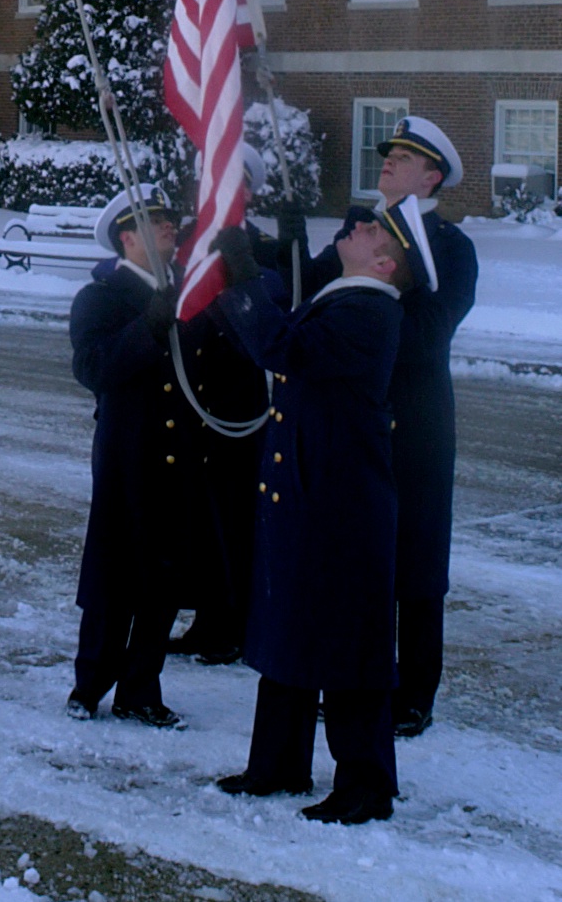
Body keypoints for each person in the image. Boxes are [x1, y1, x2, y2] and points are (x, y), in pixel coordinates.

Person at [210, 213, 412, 825]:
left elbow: (287, 348)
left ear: (385, 264)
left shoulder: (371, 311)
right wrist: (257, 260)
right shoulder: (344, 297)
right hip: (311, 492)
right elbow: (287, 309)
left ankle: (366, 784)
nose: (356, 225)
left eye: (372, 231)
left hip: (341, 505)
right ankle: (277, 762)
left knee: (347, 643)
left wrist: (244, 273)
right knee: (290, 626)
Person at [293, 115, 478, 737]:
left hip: (417, 425)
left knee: (417, 567)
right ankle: (354, 676)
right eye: (389, 153)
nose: (389, 162)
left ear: (432, 178)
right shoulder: (363, 229)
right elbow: (308, 286)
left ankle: (414, 693)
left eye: (404, 157)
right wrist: (285, 228)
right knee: (355, 557)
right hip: (354, 420)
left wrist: (369, 307)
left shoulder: (451, 248)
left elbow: (427, 338)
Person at [68, 182, 265, 726]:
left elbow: (219, 361)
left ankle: (140, 688)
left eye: (167, 222)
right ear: (126, 238)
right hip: (129, 456)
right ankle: (89, 685)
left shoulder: (186, 290)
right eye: (155, 225)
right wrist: (150, 324)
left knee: (162, 579)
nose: (168, 230)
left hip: (183, 455)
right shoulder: (100, 297)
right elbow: (95, 369)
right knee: (114, 576)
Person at [168, 141, 281, 664]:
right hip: (187, 397)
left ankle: (236, 622)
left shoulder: (263, 250)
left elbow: (276, 316)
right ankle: (205, 615)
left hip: (237, 401)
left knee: (236, 516)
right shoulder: (182, 246)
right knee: (192, 515)